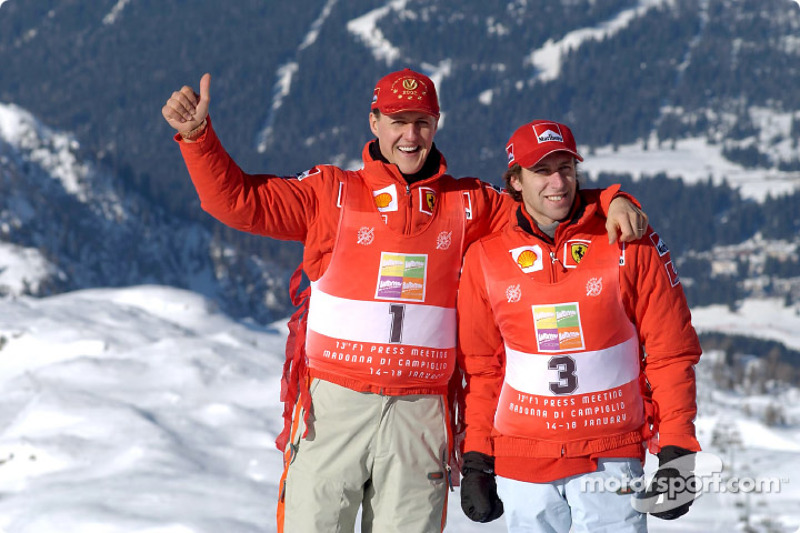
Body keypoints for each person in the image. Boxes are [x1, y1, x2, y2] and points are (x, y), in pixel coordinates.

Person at [161, 70, 647, 532]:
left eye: (422, 122)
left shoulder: (468, 203)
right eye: (398, 122)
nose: (410, 136)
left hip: (422, 415)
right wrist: (198, 138)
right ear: (374, 124)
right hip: (333, 406)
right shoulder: (333, 193)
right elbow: (241, 202)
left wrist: (611, 200)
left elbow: (544, 199)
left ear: (436, 125)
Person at [456, 119, 702, 532]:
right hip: (524, 461)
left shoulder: (628, 241)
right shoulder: (485, 258)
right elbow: (483, 370)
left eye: (566, 169)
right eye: (541, 171)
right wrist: (477, 458)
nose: (557, 182)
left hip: (611, 457)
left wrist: (677, 449)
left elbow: (670, 352)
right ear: (515, 181)